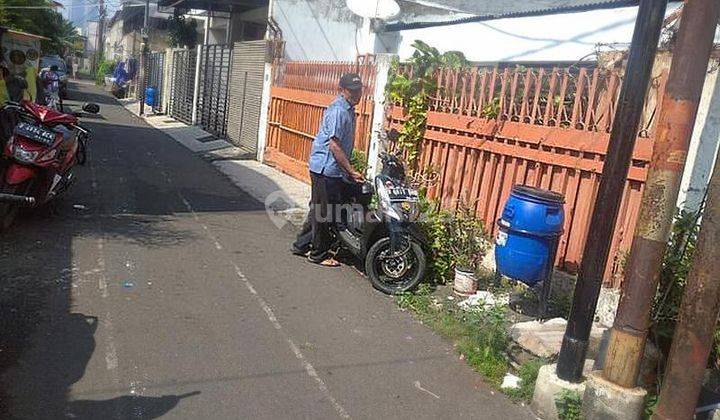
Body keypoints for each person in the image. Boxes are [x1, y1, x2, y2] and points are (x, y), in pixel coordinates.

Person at [292, 73, 365, 267]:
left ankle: (301, 245)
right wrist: (350, 170)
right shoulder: (339, 111)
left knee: (318, 209)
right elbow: (334, 146)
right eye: (352, 91)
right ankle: (318, 254)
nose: (357, 94)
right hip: (326, 168)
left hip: (328, 168)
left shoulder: (348, 109)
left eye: (359, 90)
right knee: (325, 213)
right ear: (342, 90)